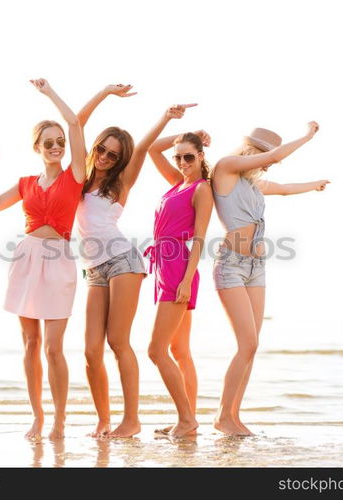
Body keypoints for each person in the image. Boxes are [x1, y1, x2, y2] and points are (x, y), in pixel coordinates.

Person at [76, 85, 196, 438]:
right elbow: (76, 124)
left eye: (113, 155)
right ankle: (103, 420)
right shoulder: (78, 179)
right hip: (94, 267)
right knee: (90, 350)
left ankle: (131, 420)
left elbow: (142, 148)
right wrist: (104, 94)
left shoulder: (120, 182)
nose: (104, 157)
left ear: (120, 160)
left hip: (123, 262)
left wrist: (166, 118)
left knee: (118, 341)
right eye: (101, 149)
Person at [0, 78, 86, 441]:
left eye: (59, 143)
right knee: (30, 343)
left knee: (54, 348)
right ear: (37, 148)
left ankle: (59, 420)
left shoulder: (75, 176)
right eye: (49, 143)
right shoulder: (26, 182)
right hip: (25, 257)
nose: (57, 147)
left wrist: (49, 92)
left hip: (58, 258)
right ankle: (37, 417)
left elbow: (75, 125)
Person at [210, 123, 324, 435]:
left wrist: (314, 184)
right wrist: (306, 137)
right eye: (264, 155)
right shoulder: (227, 168)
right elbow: (274, 156)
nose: (269, 162)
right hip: (231, 265)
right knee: (246, 343)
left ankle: (233, 415)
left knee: (252, 345)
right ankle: (222, 416)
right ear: (249, 150)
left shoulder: (253, 183)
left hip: (256, 265)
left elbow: (285, 189)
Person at [146, 129, 214, 437]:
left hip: (179, 268)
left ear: (201, 156)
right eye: (179, 157)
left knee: (156, 350)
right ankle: (187, 420)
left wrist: (186, 280)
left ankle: (187, 420)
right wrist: (185, 134)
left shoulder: (201, 189)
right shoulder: (177, 183)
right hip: (164, 265)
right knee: (180, 350)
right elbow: (150, 150)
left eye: (189, 156)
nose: (183, 162)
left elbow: (200, 238)